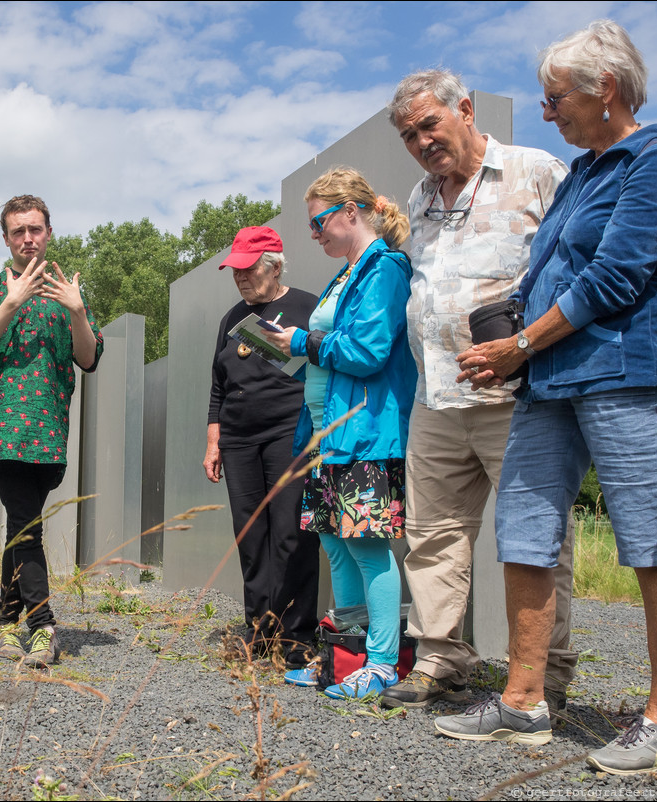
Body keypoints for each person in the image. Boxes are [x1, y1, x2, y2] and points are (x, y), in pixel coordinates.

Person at [438, 21, 657, 775]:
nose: (548, 114)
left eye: (555, 99)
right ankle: (524, 700)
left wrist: (520, 342)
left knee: (651, 537)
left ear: (604, 90)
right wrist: (505, 344)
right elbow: (550, 271)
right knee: (525, 530)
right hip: (549, 380)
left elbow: (614, 280)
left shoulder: (655, 162)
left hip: (624, 370)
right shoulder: (582, 172)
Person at [379, 70, 577, 714]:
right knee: (433, 533)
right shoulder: (419, 197)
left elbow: (579, 265)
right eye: (409, 135)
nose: (422, 142)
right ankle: (441, 659)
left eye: (429, 125)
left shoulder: (536, 170)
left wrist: (530, 348)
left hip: (517, 394)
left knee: (537, 536)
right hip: (437, 397)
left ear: (465, 109)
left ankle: (546, 673)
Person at [269, 167, 417, 699]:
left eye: (318, 223)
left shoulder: (385, 270)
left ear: (351, 212)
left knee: (369, 548)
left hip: (365, 435)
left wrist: (301, 344)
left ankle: (381, 662)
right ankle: (345, 658)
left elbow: (369, 352)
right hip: (327, 438)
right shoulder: (346, 274)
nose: (315, 235)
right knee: (335, 546)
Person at [0, 195, 103, 669]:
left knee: (21, 527)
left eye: (35, 229)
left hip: (48, 431)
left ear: (48, 233)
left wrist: (79, 313)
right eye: (18, 231)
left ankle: (4, 621)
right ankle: (42, 627)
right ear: (6, 238)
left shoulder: (66, 291)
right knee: (27, 525)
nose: (27, 239)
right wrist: (11, 302)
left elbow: (88, 359)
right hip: (3, 429)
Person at [203, 226, 319, 665]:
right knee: (251, 535)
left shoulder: (307, 306)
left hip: (289, 432)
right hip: (238, 438)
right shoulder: (231, 318)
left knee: (291, 533)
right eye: (235, 270)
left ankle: (296, 637)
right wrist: (214, 439)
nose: (240, 277)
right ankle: (261, 630)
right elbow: (218, 383)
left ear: (274, 265)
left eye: (248, 269)